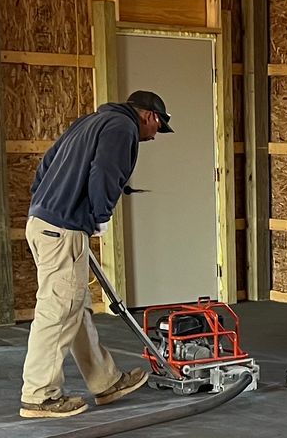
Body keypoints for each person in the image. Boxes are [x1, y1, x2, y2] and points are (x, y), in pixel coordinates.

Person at [18, 90, 173, 419]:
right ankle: (40, 395)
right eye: (158, 127)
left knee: (75, 307)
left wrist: (45, 202)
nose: (155, 135)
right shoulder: (122, 128)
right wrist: (100, 217)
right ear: (150, 116)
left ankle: (105, 381)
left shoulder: (90, 122)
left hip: (45, 221)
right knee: (58, 310)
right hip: (64, 228)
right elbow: (105, 173)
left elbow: (47, 163)